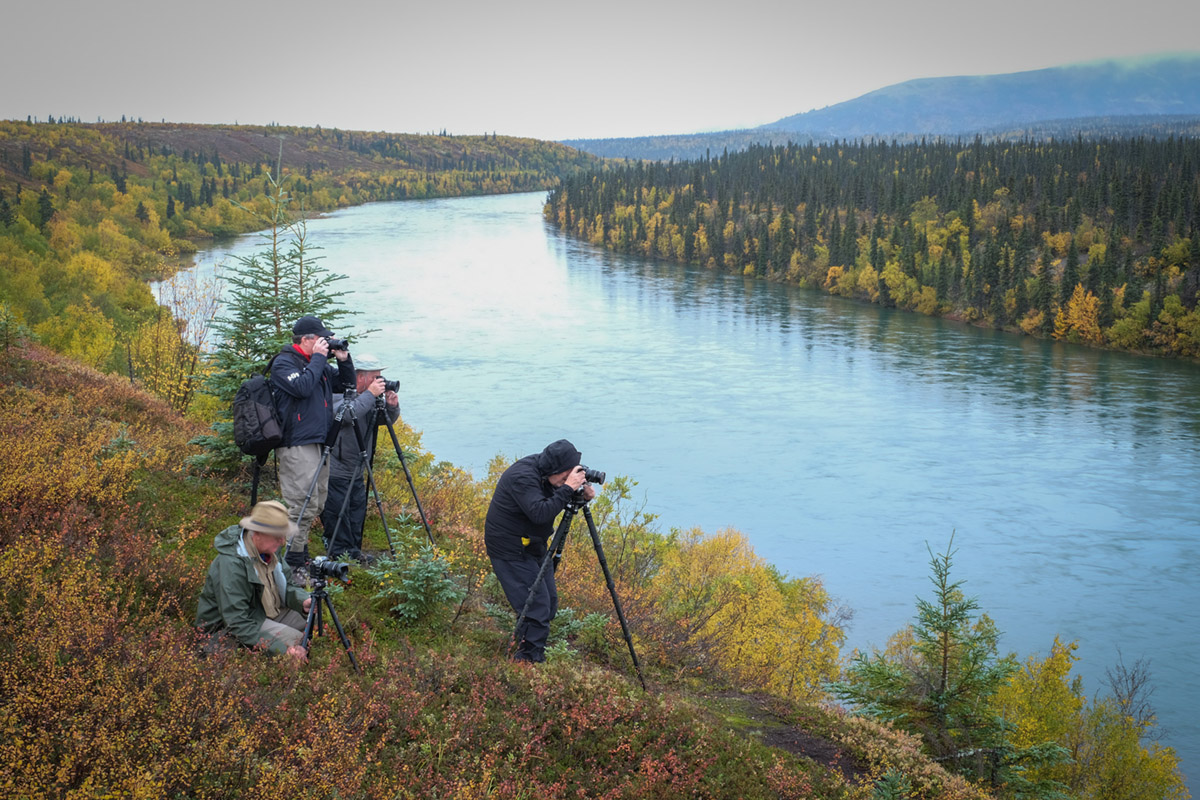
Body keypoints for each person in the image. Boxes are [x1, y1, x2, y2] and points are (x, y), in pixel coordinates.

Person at [484, 439, 595, 662]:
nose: (565, 481)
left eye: (569, 477)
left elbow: (554, 500)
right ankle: (527, 665)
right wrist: (567, 488)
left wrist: (578, 497)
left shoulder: (549, 476)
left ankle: (526, 650)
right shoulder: (523, 477)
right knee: (535, 608)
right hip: (509, 547)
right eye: (564, 477)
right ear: (554, 470)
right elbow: (540, 513)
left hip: (533, 544)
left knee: (549, 603)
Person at [270, 315, 356, 579]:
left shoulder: (315, 364)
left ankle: (300, 554)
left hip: (319, 442)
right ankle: (293, 562)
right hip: (297, 444)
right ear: (306, 340)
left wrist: (344, 360)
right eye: (321, 339)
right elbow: (303, 388)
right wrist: (319, 359)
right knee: (300, 504)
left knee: (316, 502)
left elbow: (346, 385)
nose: (326, 343)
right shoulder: (284, 363)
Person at [195, 500, 313, 658]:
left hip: (262, 611)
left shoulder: (269, 549)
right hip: (226, 631)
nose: (282, 542)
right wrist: (282, 650)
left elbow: (288, 586)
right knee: (296, 642)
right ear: (257, 533)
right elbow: (237, 622)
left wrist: (303, 600)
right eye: (277, 537)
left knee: (314, 620)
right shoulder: (232, 564)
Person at [319, 353, 400, 562]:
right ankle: (338, 555)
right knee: (338, 514)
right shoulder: (338, 393)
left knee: (356, 512)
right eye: (375, 377)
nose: (379, 382)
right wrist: (371, 395)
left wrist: (391, 406)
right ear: (360, 377)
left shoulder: (368, 398)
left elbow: (380, 421)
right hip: (336, 468)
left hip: (356, 468)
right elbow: (347, 414)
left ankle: (353, 553)